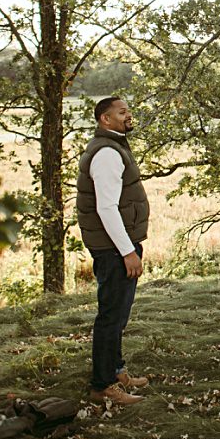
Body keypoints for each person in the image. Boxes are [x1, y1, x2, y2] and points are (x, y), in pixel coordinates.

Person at [75, 96, 151, 405]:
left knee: (119, 314)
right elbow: (106, 208)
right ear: (105, 119)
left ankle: (117, 371)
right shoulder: (107, 153)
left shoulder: (114, 146)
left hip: (118, 246)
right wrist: (127, 252)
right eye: (122, 112)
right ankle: (102, 385)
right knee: (110, 316)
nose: (128, 115)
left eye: (128, 110)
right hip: (114, 249)